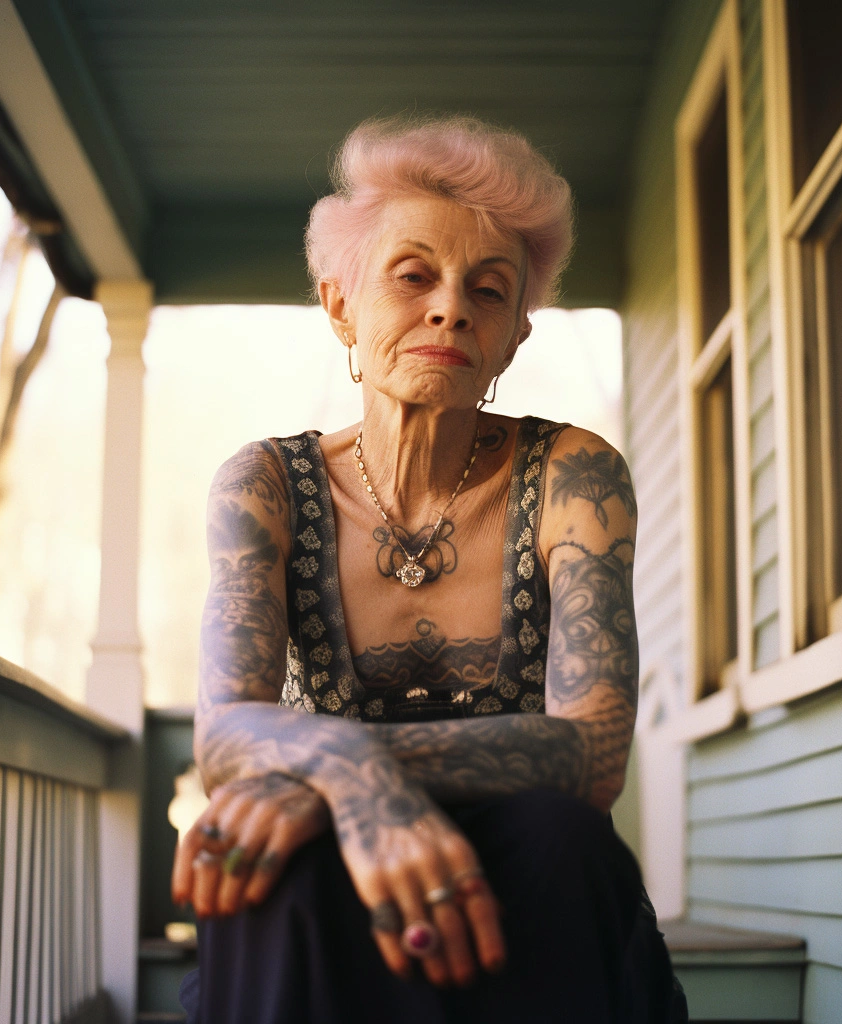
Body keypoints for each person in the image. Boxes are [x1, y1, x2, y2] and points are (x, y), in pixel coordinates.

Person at [172, 114, 686, 1023]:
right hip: (335, 860)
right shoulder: (267, 484)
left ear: (514, 336)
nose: (451, 307)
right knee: (260, 857)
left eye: (489, 291)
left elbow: (593, 751)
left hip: (530, 864)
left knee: (561, 834)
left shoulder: (575, 472)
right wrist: (346, 779)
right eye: (413, 277)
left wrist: (345, 775)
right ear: (341, 304)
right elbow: (223, 739)